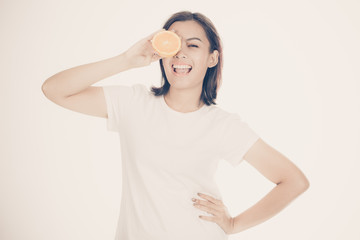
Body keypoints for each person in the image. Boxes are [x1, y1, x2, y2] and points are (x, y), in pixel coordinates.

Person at [42, 11, 310, 240]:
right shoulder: (134, 103)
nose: (180, 53)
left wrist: (233, 224)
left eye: (193, 45)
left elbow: (293, 181)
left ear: (212, 59)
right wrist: (126, 59)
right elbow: (55, 90)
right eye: (173, 44)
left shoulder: (223, 125)